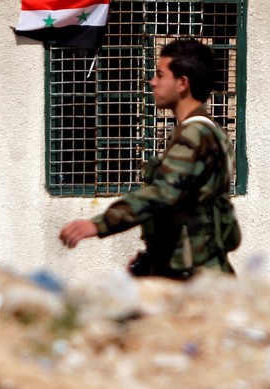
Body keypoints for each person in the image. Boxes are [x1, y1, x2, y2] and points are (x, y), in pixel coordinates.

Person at [59, 39, 241, 279]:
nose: (152, 81)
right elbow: (186, 209)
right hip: (190, 271)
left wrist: (99, 224)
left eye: (160, 74)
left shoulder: (194, 134)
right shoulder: (210, 131)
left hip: (194, 280)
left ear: (182, 83)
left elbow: (163, 193)